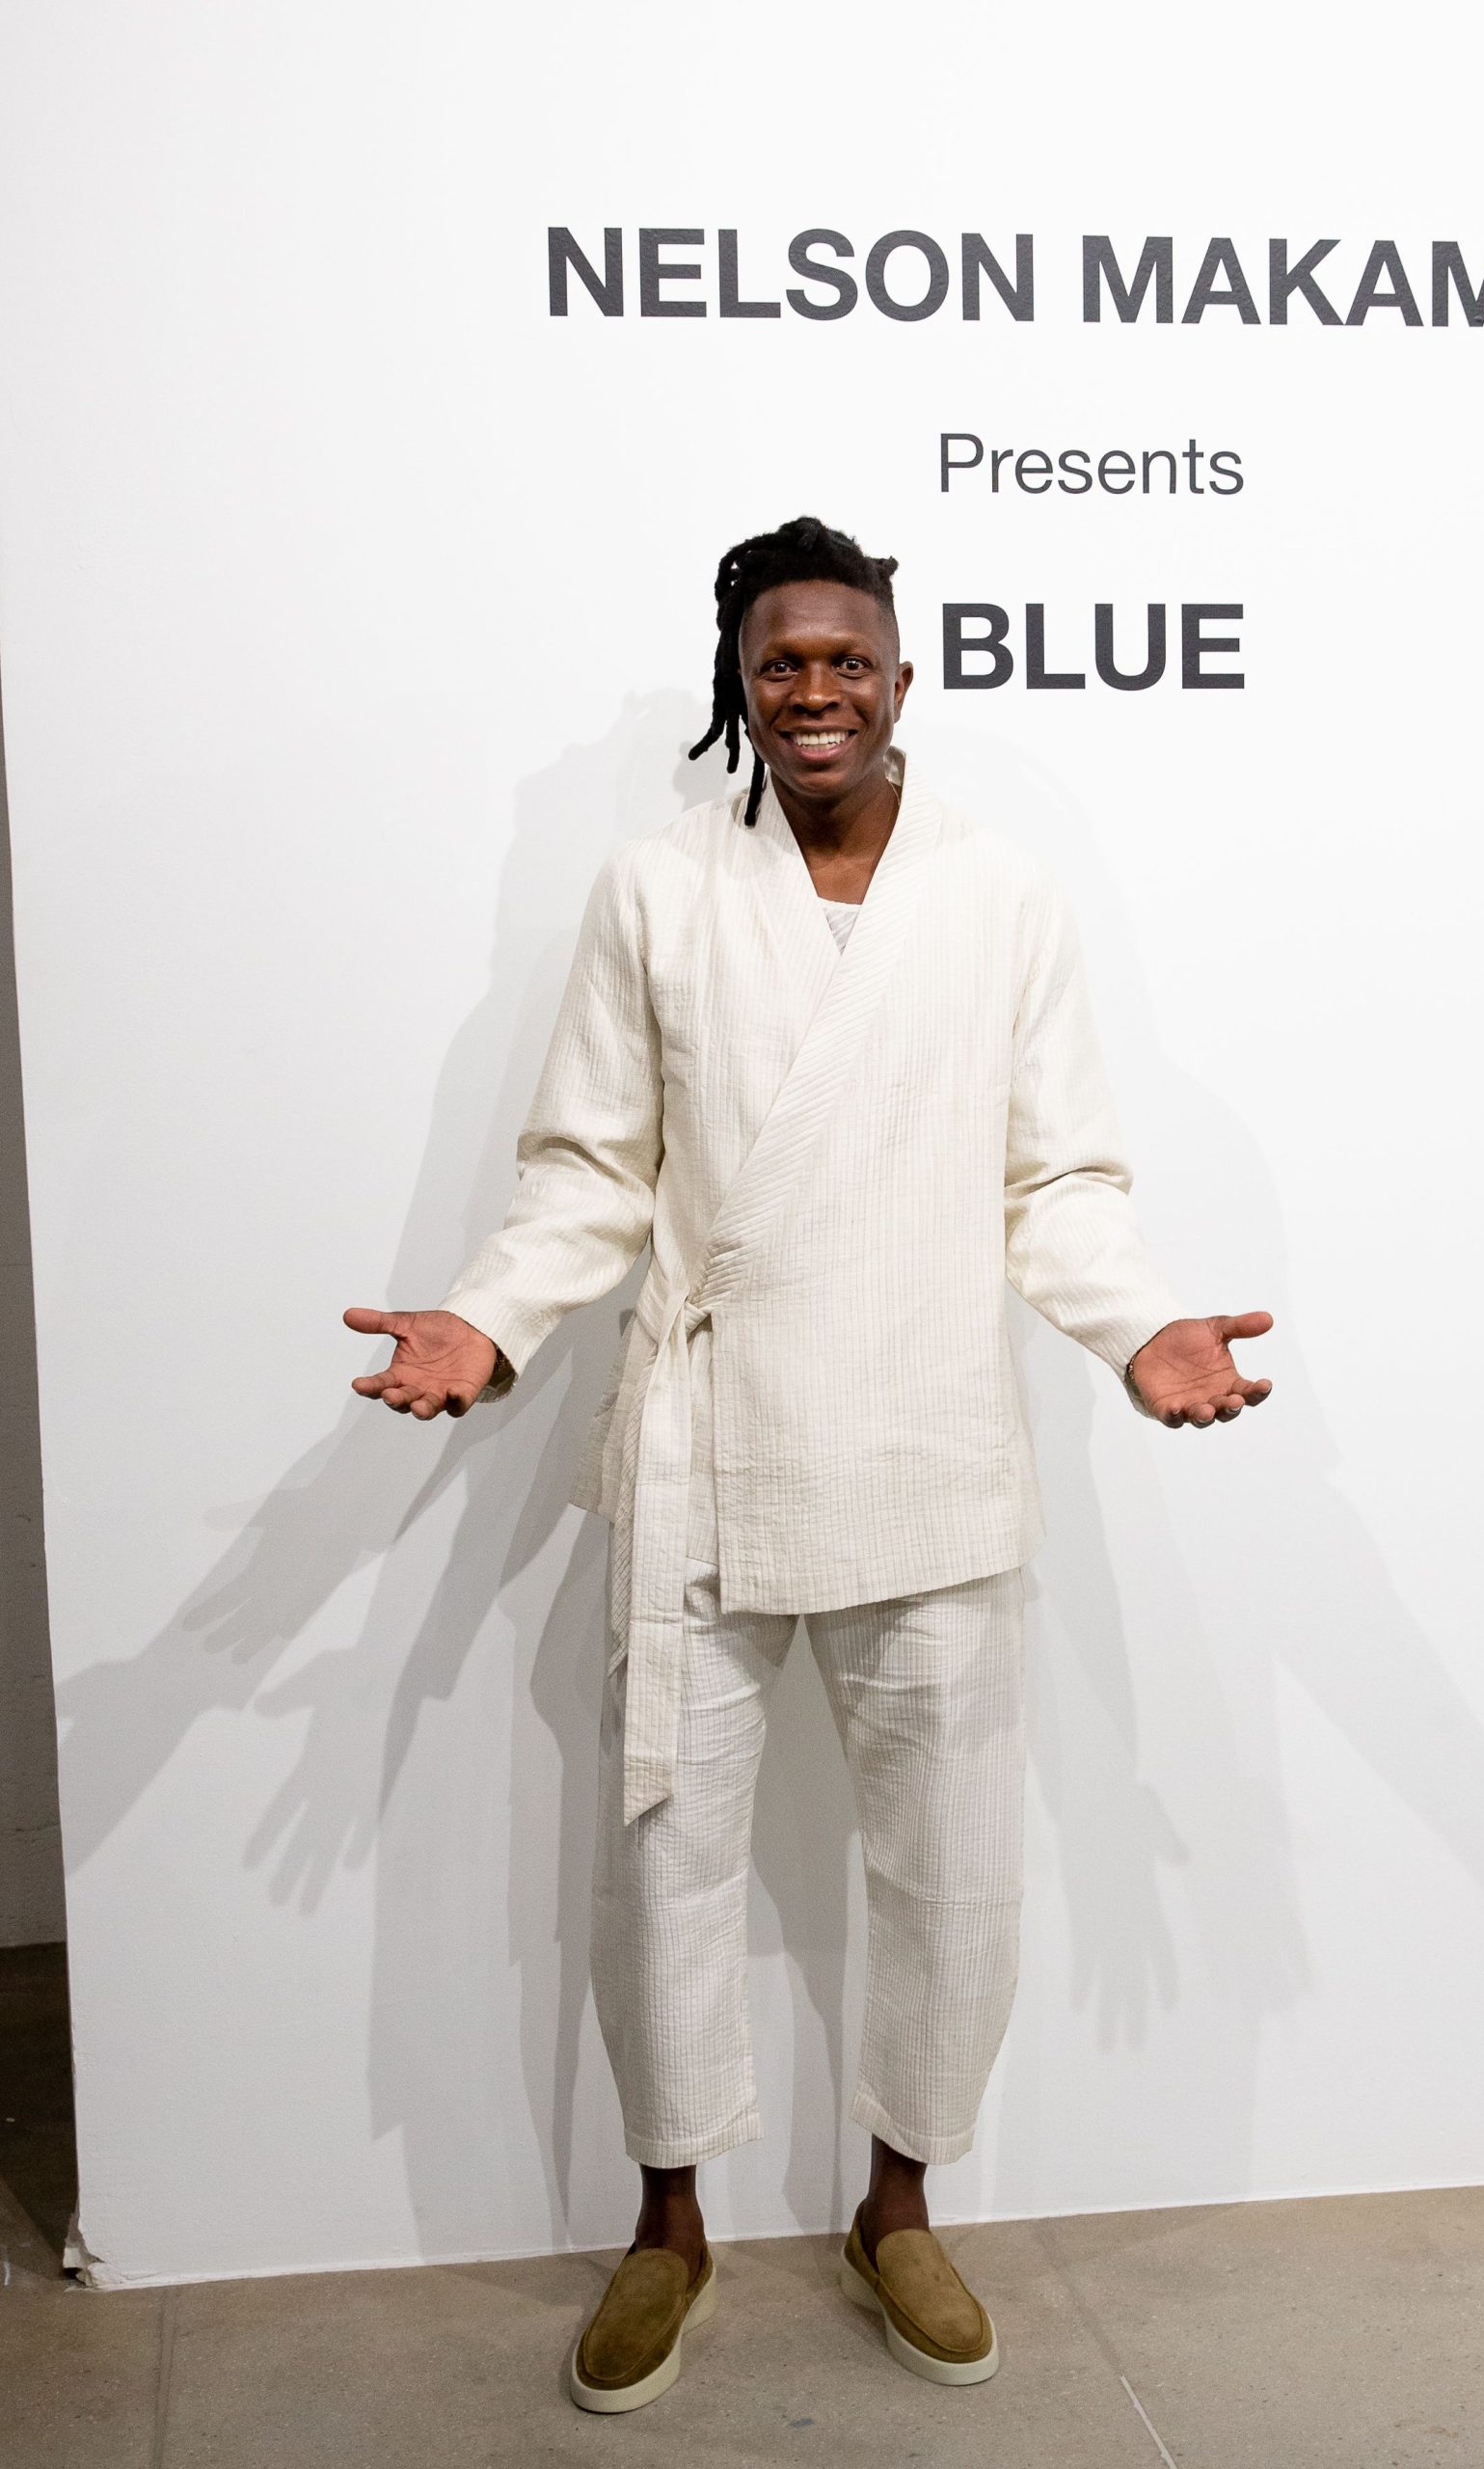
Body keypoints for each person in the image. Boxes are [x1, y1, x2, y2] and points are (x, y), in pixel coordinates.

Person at [344, 516, 1272, 2410]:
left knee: (948, 1867)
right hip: (710, 1451)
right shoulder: (657, 891)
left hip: (929, 1445)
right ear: (740, 686)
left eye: (849, 658)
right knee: (663, 1860)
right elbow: (590, 1167)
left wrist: (1136, 1325)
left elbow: (1058, 1177)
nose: (818, 689)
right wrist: (492, 1320)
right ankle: (670, 2219)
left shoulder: (999, 894)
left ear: (903, 677)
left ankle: (898, 2204)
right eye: (783, 662)